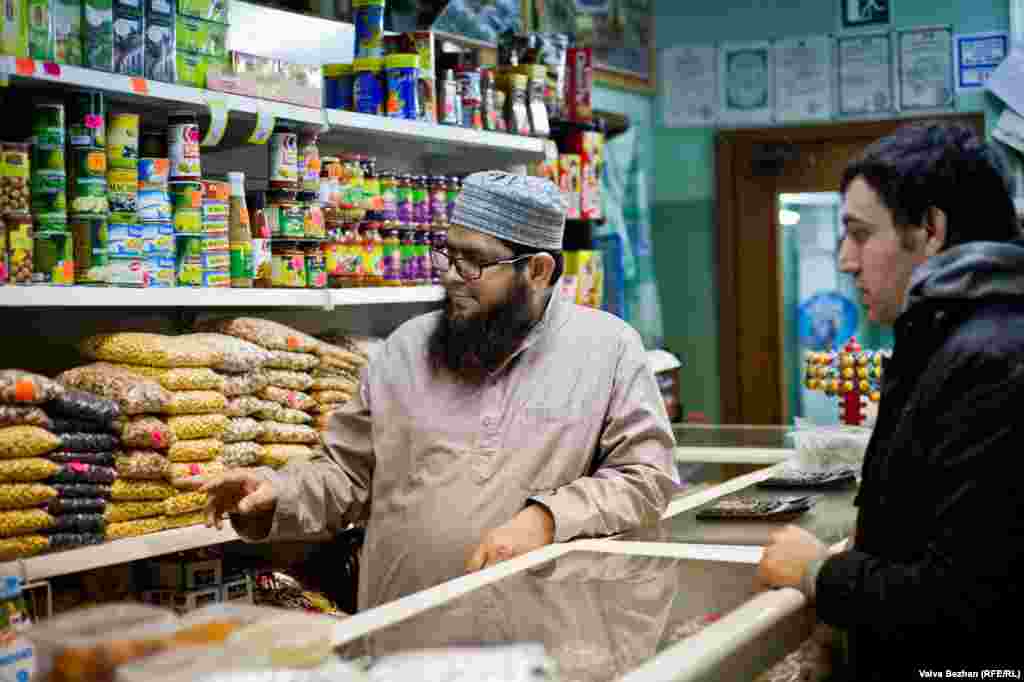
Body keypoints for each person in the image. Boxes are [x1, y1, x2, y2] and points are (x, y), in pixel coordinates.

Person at [198, 171, 679, 612]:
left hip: (539, 633)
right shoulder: (407, 349)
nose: (450, 275)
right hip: (404, 627)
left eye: (474, 263)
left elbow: (646, 477)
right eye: (449, 253)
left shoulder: (608, 350)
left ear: (537, 270)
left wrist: (547, 519)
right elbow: (347, 472)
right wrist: (278, 491)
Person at [758, 122, 1024, 678]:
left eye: (859, 233)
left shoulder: (994, 359)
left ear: (930, 228)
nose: (845, 260)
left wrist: (820, 576)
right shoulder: (946, 334)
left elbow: (963, 601)